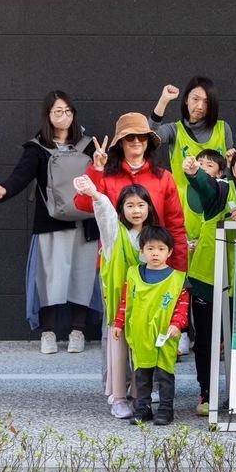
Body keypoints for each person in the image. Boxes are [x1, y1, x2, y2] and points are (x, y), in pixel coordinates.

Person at [0, 90, 100, 354]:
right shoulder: (37, 148)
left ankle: (78, 331)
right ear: (48, 116)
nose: (63, 116)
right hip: (51, 224)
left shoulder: (89, 145)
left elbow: (103, 180)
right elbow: (22, 174)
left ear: (73, 114)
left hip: (86, 223)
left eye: (67, 111)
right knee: (51, 278)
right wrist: (5, 189)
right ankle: (48, 333)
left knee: (83, 276)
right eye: (57, 111)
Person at [183, 144, 236, 416]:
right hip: (209, 276)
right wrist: (195, 174)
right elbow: (205, 188)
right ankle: (207, 394)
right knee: (207, 339)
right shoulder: (221, 190)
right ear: (232, 169)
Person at [76, 179, 159, 419]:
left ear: (149, 208)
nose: (136, 210)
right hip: (121, 306)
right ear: (121, 209)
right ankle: (119, 398)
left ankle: (141, 394)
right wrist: (96, 196)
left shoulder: (154, 236)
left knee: (144, 351)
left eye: (141, 205)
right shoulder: (115, 236)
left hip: (146, 307)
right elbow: (106, 216)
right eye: (130, 205)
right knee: (119, 353)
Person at [75, 113, 188, 271]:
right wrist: (97, 169)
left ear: (148, 140)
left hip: (156, 264)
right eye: (130, 137)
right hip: (116, 261)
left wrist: (180, 270)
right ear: (121, 142)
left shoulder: (164, 177)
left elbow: (176, 227)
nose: (136, 141)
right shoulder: (106, 175)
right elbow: (83, 205)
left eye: (141, 136)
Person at [112, 226, 190, 426]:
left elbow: (182, 308)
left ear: (170, 252)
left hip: (166, 334)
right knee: (142, 374)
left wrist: (177, 325)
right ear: (142, 250)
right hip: (140, 333)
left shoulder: (178, 278)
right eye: (150, 248)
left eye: (161, 249)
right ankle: (143, 408)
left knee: (164, 373)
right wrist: (119, 324)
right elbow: (125, 302)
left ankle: (166, 409)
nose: (155, 253)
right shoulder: (133, 274)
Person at [149, 77, 234, 236]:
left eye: (207, 102)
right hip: (183, 207)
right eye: (195, 99)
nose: (200, 106)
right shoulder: (175, 130)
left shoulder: (223, 128)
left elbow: (231, 170)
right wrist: (164, 100)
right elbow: (151, 136)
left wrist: (235, 159)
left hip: (218, 208)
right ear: (186, 100)